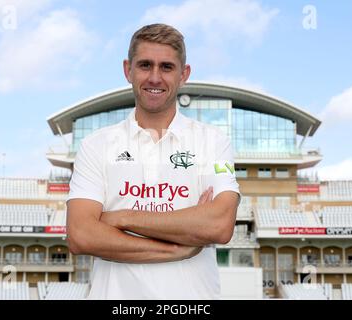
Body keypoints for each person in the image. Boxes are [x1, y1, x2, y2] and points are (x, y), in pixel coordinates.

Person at [66, 23, 241, 300]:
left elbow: (219, 225)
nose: (155, 78)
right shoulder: (96, 146)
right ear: (128, 70)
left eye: (167, 67)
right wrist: (178, 248)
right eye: (145, 65)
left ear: (184, 74)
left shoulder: (213, 142)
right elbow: (81, 234)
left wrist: (120, 218)